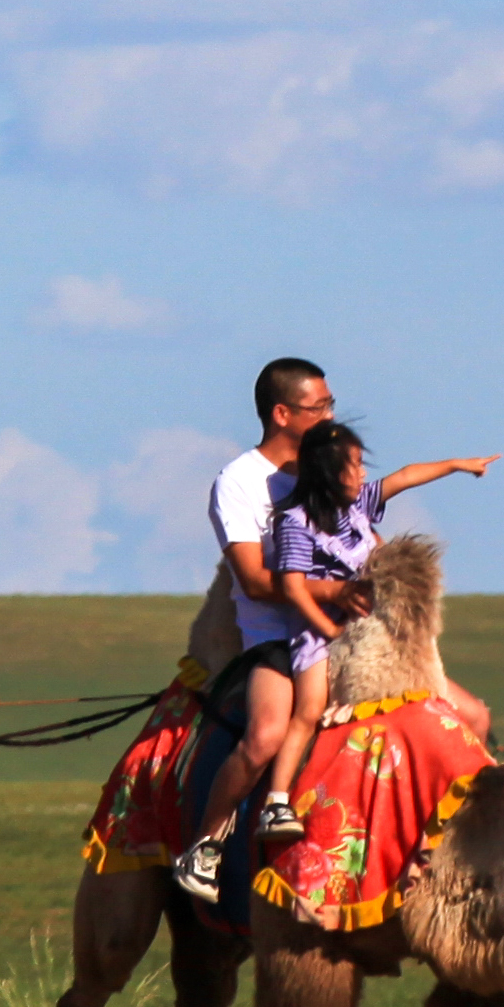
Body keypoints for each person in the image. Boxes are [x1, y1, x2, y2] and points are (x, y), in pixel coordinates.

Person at [236, 418, 496, 849]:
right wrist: (329, 629)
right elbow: (293, 588)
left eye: (360, 464)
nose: (362, 474)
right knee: (310, 707)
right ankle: (277, 802)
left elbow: (404, 476)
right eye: (353, 465)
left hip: (365, 627)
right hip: (316, 629)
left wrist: (457, 464)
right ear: (326, 472)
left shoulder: (357, 507)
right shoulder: (296, 523)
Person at [164, 356, 334, 905]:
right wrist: (334, 592)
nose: (330, 416)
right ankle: (206, 846)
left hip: (342, 635)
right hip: (274, 639)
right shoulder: (239, 483)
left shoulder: (329, 470)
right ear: (282, 413)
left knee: (450, 715)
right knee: (264, 737)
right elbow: (256, 582)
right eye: (319, 407)